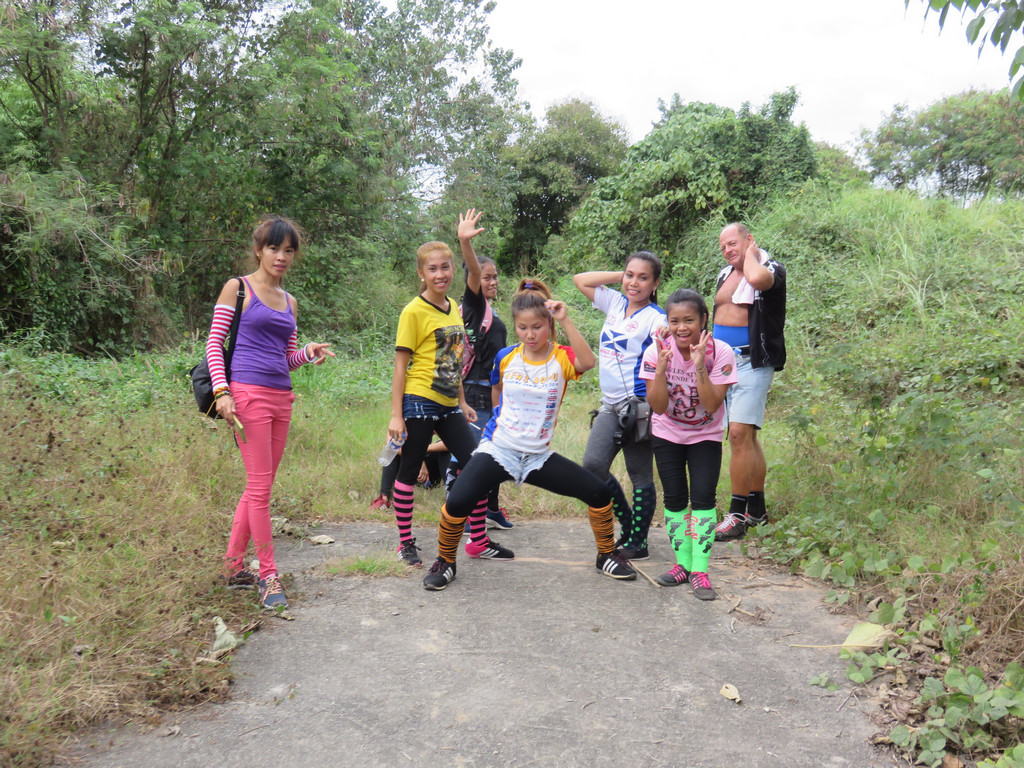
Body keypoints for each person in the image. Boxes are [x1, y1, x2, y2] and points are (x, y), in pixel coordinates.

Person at [423, 279, 637, 591]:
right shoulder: (506, 357)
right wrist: (498, 425)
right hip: (500, 449)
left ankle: (606, 555)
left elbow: (589, 362)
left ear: (549, 324)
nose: (530, 334)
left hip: (538, 456)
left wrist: (565, 319)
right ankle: (445, 562)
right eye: (522, 328)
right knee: (457, 501)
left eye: (537, 327)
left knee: (599, 493)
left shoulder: (561, 357)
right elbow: (497, 391)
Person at [206, 216, 334, 610]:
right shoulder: (238, 288)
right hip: (247, 396)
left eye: (289, 250)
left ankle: (233, 566)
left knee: (259, 486)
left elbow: (286, 358)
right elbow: (214, 344)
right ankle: (268, 574)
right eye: (274, 248)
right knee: (260, 489)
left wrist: (307, 353)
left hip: (282, 398)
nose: (281, 256)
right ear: (259, 250)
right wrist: (222, 392)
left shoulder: (289, 301)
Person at [388, 230, 511, 566]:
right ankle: (405, 543)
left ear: (453, 269)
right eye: (432, 269)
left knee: (477, 465)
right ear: (421, 273)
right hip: (419, 400)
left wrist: (462, 401)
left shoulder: (454, 308)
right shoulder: (413, 311)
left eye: (445, 267)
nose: (440, 274)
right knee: (409, 470)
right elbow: (400, 366)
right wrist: (396, 415)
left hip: (448, 404)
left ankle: (478, 541)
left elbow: (452, 359)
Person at [641, 289, 737, 601]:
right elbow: (657, 407)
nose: (682, 328)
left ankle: (700, 571)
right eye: (675, 321)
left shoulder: (721, 353)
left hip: (705, 434)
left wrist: (698, 365)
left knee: (703, 498)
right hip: (667, 432)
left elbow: (711, 405)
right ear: (667, 322)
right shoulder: (656, 351)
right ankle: (682, 564)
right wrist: (660, 368)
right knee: (674, 499)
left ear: (703, 320)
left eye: (689, 320)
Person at [573, 253, 665, 559]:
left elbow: (665, 355)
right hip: (610, 405)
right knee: (593, 465)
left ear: (655, 284)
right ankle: (626, 522)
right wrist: (621, 277)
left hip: (638, 407)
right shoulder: (614, 302)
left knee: (639, 474)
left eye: (643, 277)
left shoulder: (657, 318)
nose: (634, 282)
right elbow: (580, 280)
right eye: (630, 275)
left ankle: (638, 542)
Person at [712, 223, 787, 542]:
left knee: (739, 434)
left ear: (749, 239)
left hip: (752, 361)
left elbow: (757, 280)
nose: (728, 250)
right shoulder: (724, 274)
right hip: (722, 364)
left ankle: (737, 515)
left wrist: (752, 255)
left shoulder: (770, 267)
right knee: (747, 437)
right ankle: (757, 510)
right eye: (723, 247)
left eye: (733, 243)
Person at [443, 209, 513, 532]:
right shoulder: (474, 306)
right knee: (469, 457)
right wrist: (465, 243)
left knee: (490, 454)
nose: (492, 281)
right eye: (487, 277)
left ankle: (489, 510)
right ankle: (458, 513)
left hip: (492, 391)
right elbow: (471, 271)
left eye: (495, 276)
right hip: (474, 391)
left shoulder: (491, 312)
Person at [370, 439, 451, 512]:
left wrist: (424, 451)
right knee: (394, 445)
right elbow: (390, 444)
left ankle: (450, 498)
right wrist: (419, 462)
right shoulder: (402, 426)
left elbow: (451, 441)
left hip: (429, 476)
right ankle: (384, 498)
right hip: (407, 472)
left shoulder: (435, 426)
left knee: (441, 448)